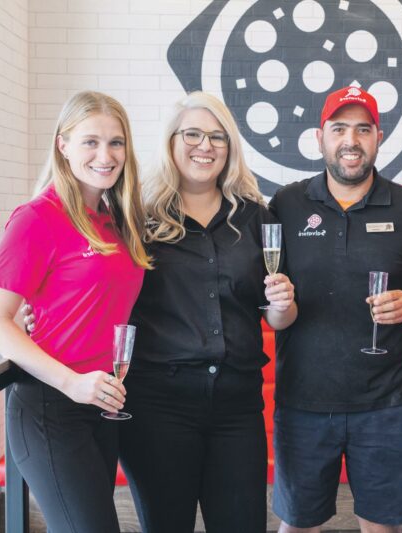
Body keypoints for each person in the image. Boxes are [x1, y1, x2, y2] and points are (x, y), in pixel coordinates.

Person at [117, 91, 297, 533]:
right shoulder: (137, 216)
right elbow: (97, 287)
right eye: (193, 134)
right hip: (159, 405)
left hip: (237, 407)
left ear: (230, 147)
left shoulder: (257, 217)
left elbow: (277, 318)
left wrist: (284, 305)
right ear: (171, 142)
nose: (206, 146)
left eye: (217, 137)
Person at [269, 86, 402, 532]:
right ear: (319, 137)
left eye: (363, 129)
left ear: (379, 137)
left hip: (386, 403)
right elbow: (270, 303)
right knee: (297, 525)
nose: (351, 139)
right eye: (339, 128)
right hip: (304, 401)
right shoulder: (286, 205)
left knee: (382, 527)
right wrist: (279, 305)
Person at [0, 91, 151, 533]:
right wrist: (72, 382)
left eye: (116, 142)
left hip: (102, 402)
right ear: (63, 144)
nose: (105, 155)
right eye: (90, 141)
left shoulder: (116, 219)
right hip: (50, 405)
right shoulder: (37, 218)